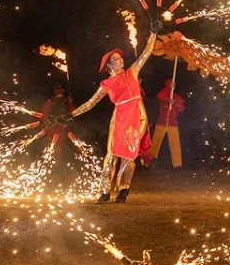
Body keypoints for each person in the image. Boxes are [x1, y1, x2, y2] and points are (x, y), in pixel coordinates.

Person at [54, 19, 161, 203]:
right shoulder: (106, 84)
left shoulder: (132, 72)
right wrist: (70, 114)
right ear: (110, 66)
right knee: (111, 153)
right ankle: (104, 191)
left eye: (120, 58)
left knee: (128, 153)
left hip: (137, 114)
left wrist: (153, 33)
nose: (121, 60)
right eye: (116, 59)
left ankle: (124, 190)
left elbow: (146, 53)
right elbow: (90, 103)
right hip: (119, 116)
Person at [147, 78, 185, 169]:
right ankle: (149, 161)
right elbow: (159, 96)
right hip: (161, 122)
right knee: (155, 143)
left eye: (173, 85)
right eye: (171, 84)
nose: (173, 86)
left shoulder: (177, 97)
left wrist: (174, 103)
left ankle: (177, 165)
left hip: (172, 123)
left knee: (175, 144)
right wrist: (169, 88)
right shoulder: (164, 94)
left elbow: (181, 108)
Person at [40, 84, 75, 148]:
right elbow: (45, 112)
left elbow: (72, 112)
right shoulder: (50, 101)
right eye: (57, 89)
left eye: (60, 89)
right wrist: (47, 123)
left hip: (63, 126)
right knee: (51, 144)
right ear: (55, 91)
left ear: (62, 90)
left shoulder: (66, 100)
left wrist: (70, 102)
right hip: (53, 124)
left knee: (61, 145)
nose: (58, 91)